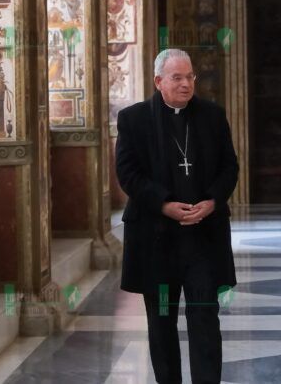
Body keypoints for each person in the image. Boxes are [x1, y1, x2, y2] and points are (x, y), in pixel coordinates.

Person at [116, 49, 239, 384]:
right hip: (157, 238)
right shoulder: (133, 119)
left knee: (205, 319)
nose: (186, 84)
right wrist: (164, 204)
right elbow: (128, 174)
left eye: (190, 77)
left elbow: (230, 167)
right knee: (161, 321)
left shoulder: (213, 116)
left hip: (203, 237)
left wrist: (213, 200)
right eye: (177, 78)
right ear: (159, 81)